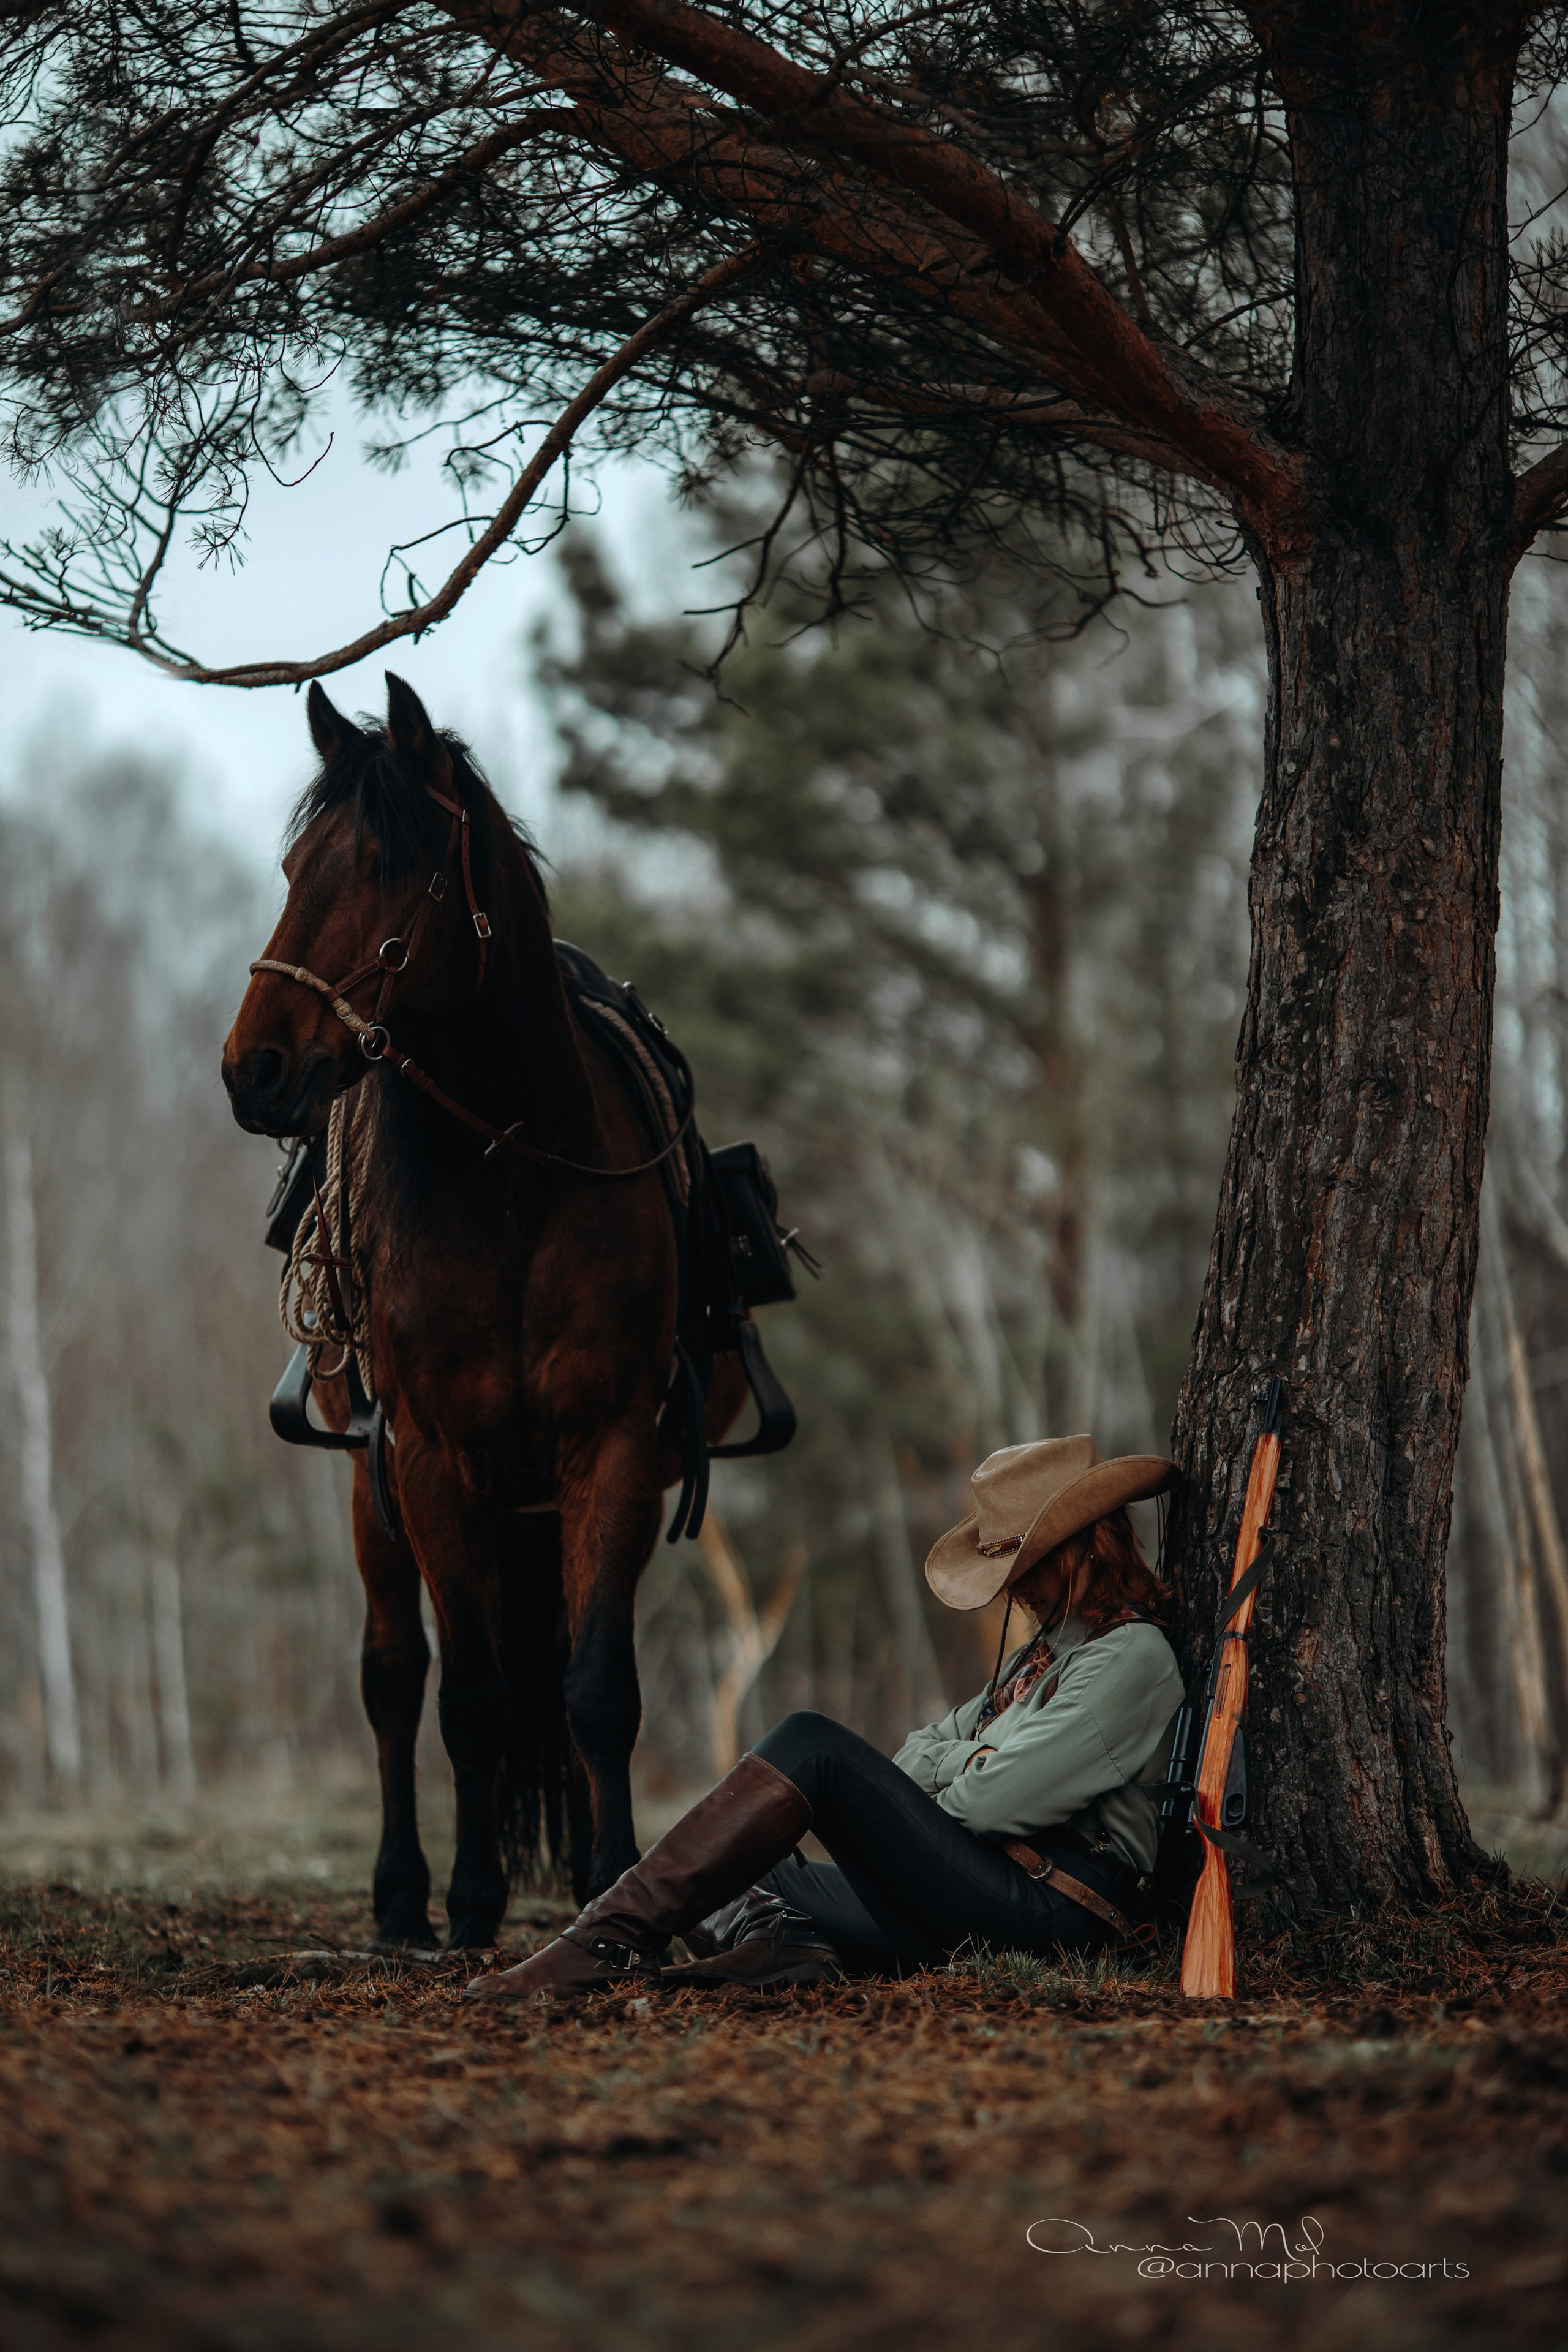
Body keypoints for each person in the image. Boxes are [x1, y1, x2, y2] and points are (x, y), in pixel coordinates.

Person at [464, 1434, 1183, 2003]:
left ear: (1086, 1547)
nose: (1016, 1588)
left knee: (813, 1745)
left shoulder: (1130, 1658)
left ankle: (604, 1942)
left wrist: (968, 1766)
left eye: (1028, 1565)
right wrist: (975, 1761)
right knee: (746, 1863)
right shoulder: (1043, 1656)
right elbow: (917, 1755)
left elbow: (988, 1805)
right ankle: (792, 1955)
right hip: (978, 1890)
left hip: (1056, 1915)